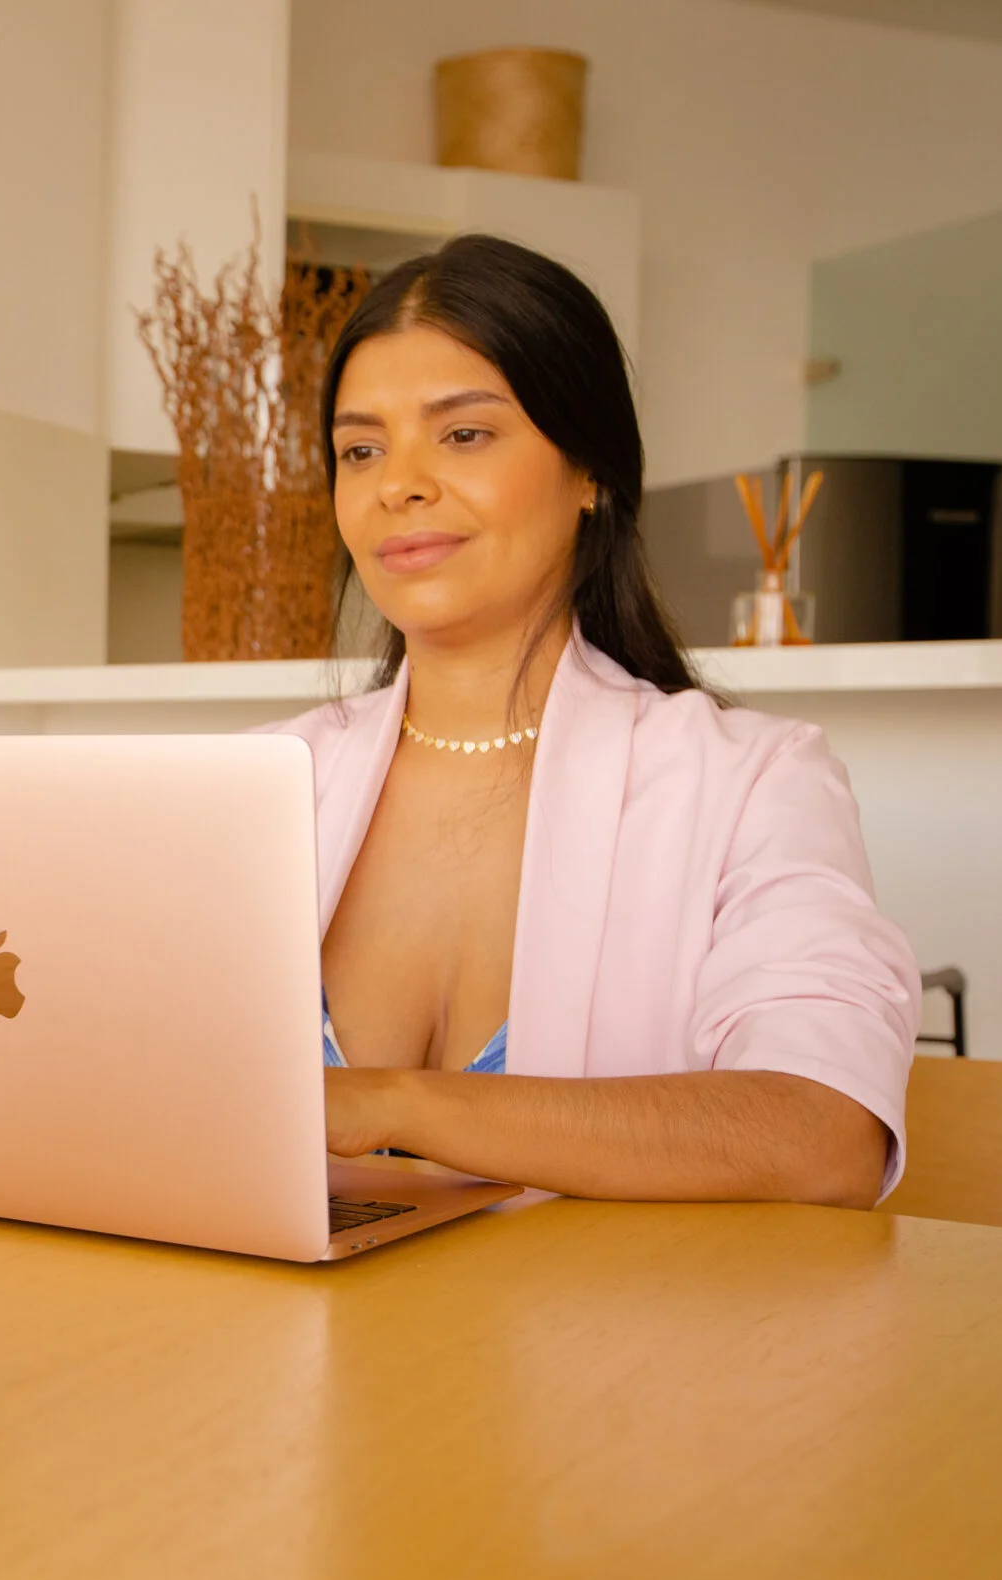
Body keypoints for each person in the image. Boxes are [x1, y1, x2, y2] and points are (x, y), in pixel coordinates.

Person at [280, 235, 917, 1208]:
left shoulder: (754, 781)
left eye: (462, 435)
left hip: (605, 1353)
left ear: (592, 472)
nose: (395, 483)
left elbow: (823, 1139)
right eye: (360, 449)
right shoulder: (258, 781)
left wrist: (395, 1105)